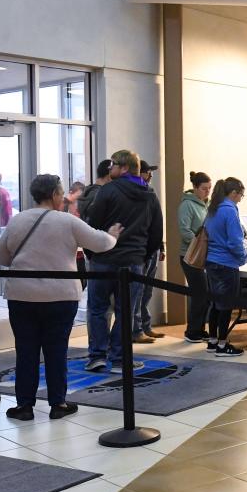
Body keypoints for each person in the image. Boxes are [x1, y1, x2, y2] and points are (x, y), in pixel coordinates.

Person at [0, 174, 121, 421]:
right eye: (61, 193)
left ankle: (24, 406)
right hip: (60, 297)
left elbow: (2, 257)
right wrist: (113, 235)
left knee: (26, 351)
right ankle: (58, 403)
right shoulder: (66, 221)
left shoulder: (18, 220)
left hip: (22, 296)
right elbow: (100, 243)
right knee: (56, 350)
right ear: (54, 194)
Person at [83, 149, 163, 373]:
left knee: (98, 309)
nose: (110, 168)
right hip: (133, 261)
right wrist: (142, 256)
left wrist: (93, 252)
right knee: (125, 311)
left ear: (124, 167)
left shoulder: (108, 191)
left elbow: (92, 224)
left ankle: (97, 356)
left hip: (103, 260)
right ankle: (120, 360)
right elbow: (157, 232)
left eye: (113, 164)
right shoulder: (150, 194)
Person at [204, 177, 246, 356]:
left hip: (211, 262)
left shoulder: (213, 208)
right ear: (234, 193)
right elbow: (235, 241)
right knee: (226, 305)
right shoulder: (229, 210)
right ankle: (222, 344)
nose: (240, 199)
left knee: (215, 303)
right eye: (241, 195)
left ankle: (213, 341)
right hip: (226, 264)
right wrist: (243, 256)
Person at [133, 160, 166, 343]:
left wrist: (161, 246)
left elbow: (156, 222)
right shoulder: (136, 194)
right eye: (147, 172)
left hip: (152, 248)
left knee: (147, 291)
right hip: (141, 250)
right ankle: (136, 329)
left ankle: (145, 326)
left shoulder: (150, 193)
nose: (150, 175)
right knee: (137, 291)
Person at [178, 171, 212, 343]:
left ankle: (199, 329)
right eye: (204, 189)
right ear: (195, 188)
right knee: (200, 293)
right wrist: (198, 245)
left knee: (204, 293)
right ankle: (192, 331)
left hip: (202, 254)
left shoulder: (206, 204)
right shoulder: (187, 205)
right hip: (189, 255)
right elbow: (184, 230)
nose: (207, 192)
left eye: (209, 189)